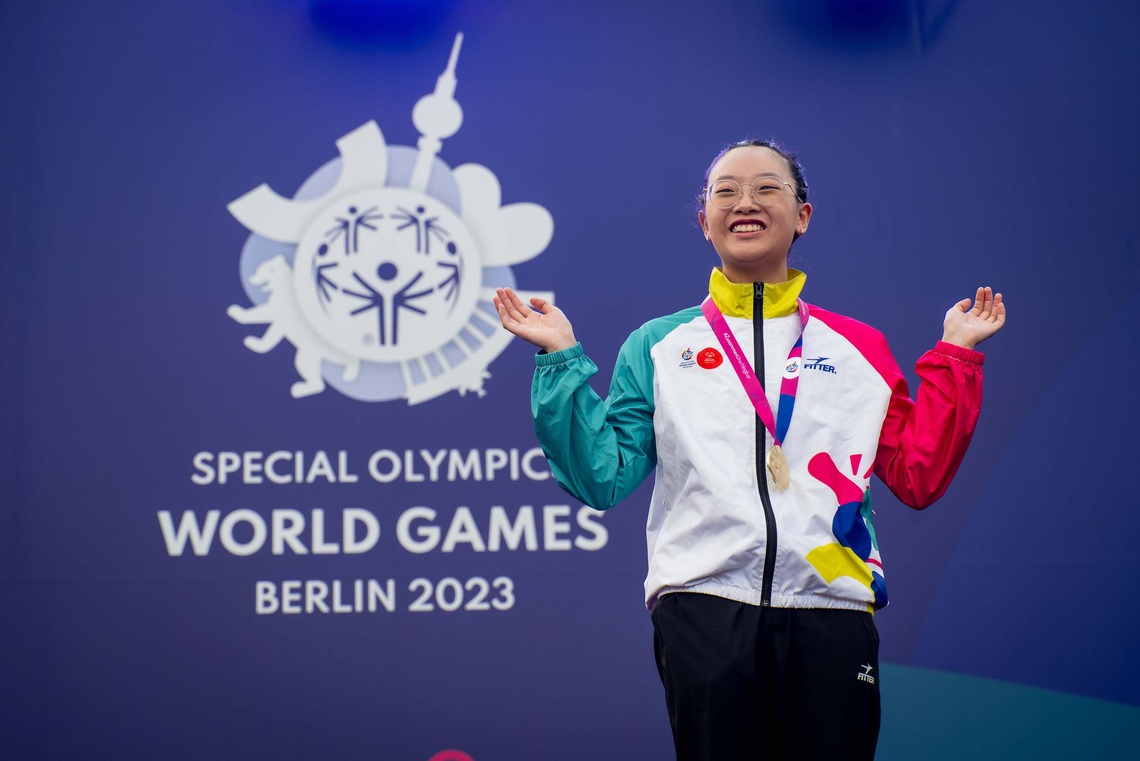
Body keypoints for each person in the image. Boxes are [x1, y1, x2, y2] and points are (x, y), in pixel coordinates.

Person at [493, 139, 1006, 761]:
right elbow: (603, 475)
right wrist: (559, 358)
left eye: (768, 188)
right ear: (704, 220)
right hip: (704, 605)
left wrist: (955, 357)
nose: (746, 201)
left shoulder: (858, 346)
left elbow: (916, 474)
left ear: (803, 216)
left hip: (831, 605)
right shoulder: (658, 345)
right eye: (725, 191)